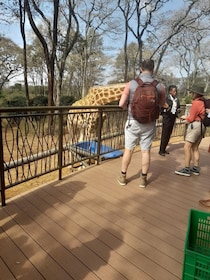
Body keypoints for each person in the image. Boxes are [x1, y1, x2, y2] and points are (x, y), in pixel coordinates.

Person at [117, 59, 166, 188]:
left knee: (129, 150)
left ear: (140, 69)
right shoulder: (160, 86)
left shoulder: (132, 84)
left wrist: (128, 109)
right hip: (149, 123)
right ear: (153, 70)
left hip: (132, 121)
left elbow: (121, 104)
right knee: (145, 151)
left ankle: (123, 177)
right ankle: (143, 179)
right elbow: (161, 104)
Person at [175, 86, 206, 176]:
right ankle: (196, 168)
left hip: (195, 126)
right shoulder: (203, 102)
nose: (191, 94)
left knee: (187, 147)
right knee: (195, 148)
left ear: (196, 94)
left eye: (192, 93)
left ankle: (186, 168)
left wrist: (185, 117)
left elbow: (191, 118)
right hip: (202, 126)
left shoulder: (196, 103)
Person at [159, 85, 180, 156]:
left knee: (169, 134)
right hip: (167, 118)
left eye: (176, 91)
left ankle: (164, 149)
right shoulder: (166, 99)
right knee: (165, 134)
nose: (175, 92)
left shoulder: (177, 99)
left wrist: (178, 110)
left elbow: (178, 107)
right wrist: (166, 110)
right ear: (170, 91)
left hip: (173, 118)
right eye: (174, 91)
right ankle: (161, 150)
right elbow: (161, 108)